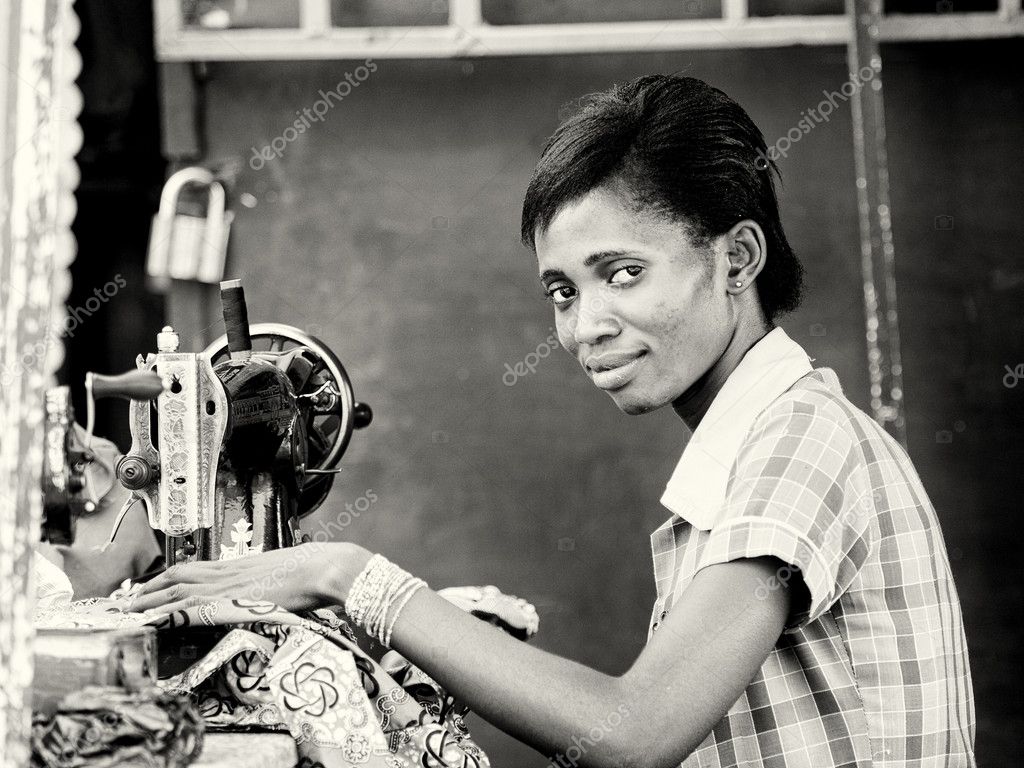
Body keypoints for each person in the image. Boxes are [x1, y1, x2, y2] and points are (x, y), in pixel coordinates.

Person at [131, 75, 975, 767]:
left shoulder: (803, 444)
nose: (586, 326)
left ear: (737, 259)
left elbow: (632, 733)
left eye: (623, 273)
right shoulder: (761, 445)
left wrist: (352, 576)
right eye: (564, 291)